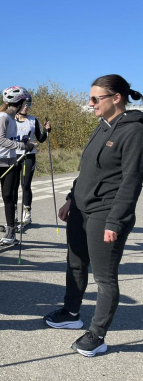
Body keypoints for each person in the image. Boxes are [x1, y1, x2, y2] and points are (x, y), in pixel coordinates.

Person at [44, 75, 143, 357]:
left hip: (107, 212)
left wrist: (116, 221)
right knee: (75, 263)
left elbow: (132, 181)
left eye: (95, 99)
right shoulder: (102, 126)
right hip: (82, 209)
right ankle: (71, 313)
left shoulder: (134, 131)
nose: (90, 104)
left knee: (104, 277)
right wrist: (70, 200)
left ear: (117, 98)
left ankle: (97, 335)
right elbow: (88, 170)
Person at [0, 86, 35, 244]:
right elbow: (0, 140)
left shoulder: (11, 117)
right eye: (24, 102)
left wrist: (22, 141)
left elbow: (9, 138)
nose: (26, 105)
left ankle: (10, 232)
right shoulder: (3, 116)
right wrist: (23, 147)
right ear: (19, 102)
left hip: (9, 161)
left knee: (8, 197)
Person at [11, 92, 51, 226]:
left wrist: (46, 130)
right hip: (14, 155)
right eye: (24, 104)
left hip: (29, 155)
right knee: (13, 186)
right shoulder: (10, 119)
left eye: (29, 104)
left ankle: (27, 212)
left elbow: (41, 138)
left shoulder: (33, 120)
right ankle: (14, 211)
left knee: (26, 184)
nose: (26, 107)